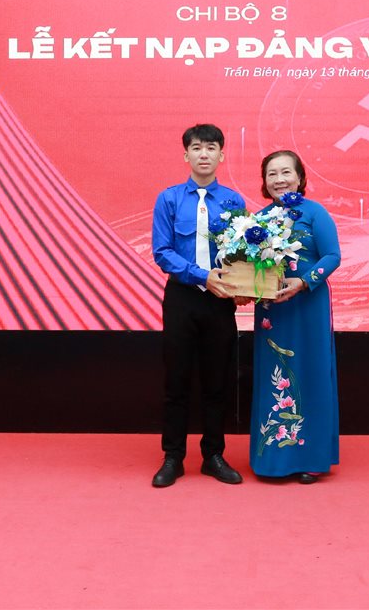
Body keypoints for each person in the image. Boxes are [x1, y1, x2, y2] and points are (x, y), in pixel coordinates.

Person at [150, 123, 247, 488]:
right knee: (176, 380)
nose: (203, 154)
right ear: (185, 155)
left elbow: (243, 252)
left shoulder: (234, 202)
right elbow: (162, 252)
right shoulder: (169, 199)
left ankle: (213, 455)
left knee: (217, 381)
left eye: (210, 148)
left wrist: (243, 285)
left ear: (222, 155)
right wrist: (201, 276)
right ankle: (173, 457)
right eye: (196, 148)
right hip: (182, 297)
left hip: (220, 301)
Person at [249, 150, 341, 483]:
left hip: (308, 305)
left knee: (311, 373)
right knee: (275, 375)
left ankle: (312, 458)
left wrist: (303, 282)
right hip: (273, 309)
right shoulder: (257, 220)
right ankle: (273, 460)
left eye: (286, 172)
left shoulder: (315, 213)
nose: (279, 179)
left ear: (300, 177)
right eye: (272, 174)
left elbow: (332, 256)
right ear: (264, 181)